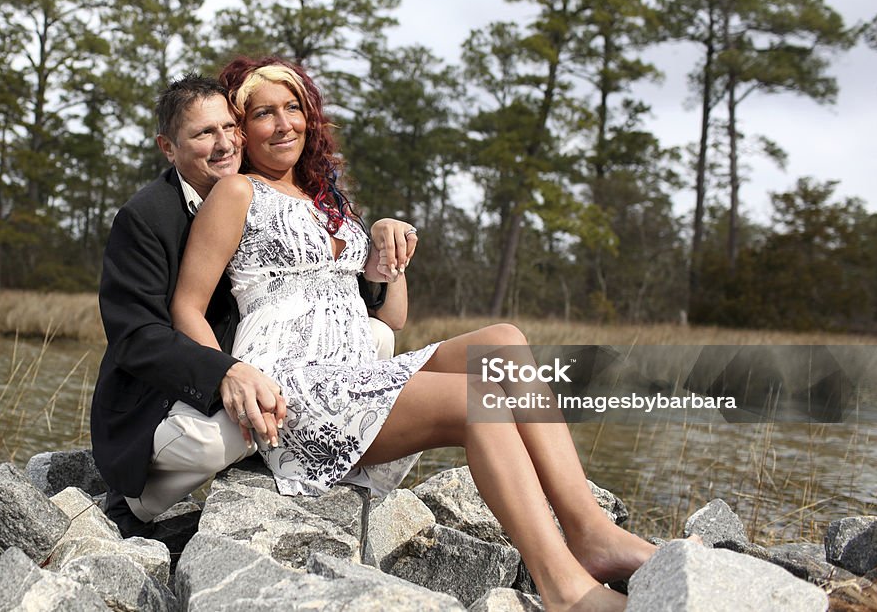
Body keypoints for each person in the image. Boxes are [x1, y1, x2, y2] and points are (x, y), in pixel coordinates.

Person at [170, 57, 658, 611]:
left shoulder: (328, 202)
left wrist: (386, 241)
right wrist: (228, 376)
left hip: (356, 370)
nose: (284, 124)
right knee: (476, 400)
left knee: (503, 339)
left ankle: (591, 532)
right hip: (295, 383)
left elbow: (392, 319)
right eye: (264, 114)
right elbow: (187, 306)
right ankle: (565, 589)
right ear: (241, 127)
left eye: (294, 108)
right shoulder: (237, 194)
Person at [90, 74, 410, 536]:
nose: (223, 145)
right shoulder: (146, 217)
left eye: (228, 128)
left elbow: (342, 306)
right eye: (204, 134)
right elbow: (138, 337)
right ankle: (132, 509)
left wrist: (381, 243)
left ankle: (308, 475)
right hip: (163, 387)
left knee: (374, 337)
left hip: (261, 364)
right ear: (168, 147)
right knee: (220, 437)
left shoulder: (263, 197)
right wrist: (225, 373)